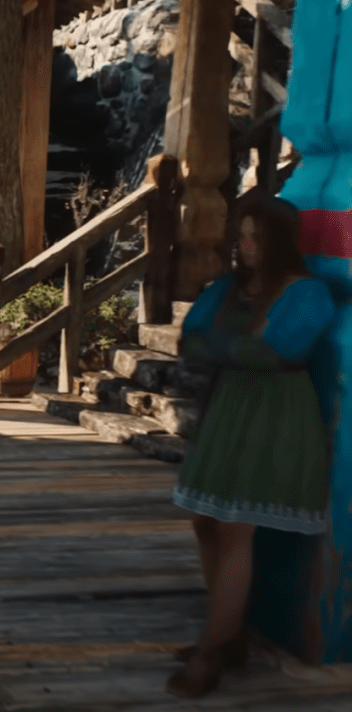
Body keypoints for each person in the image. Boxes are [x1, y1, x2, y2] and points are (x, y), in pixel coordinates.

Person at [165, 195, 335, 698]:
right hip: (230, 407)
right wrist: (240, 348)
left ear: (278, 241)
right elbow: (192, 340)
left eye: (256, 237)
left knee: (236, 528)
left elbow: (281, 351)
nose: (246, 247)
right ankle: (231, 633)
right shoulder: (229, 288)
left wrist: (231, 347)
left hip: (276, 415)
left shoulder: (307, 293)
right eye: (241, 236)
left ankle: (212, 649)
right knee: (205, 521)